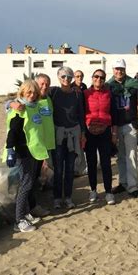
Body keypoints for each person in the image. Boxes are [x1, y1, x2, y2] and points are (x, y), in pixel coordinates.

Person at [4, 79, 55, 232]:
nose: (32, 95)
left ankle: (25, 213)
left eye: (34, 93)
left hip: (34, 151)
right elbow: (13, 131)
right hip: (22, 152)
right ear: (22, 93)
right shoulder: (20, 108)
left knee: (30, 183)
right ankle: (19, 220)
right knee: (25, 185)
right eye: (29, 93)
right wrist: (10, 150)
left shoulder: (35, 107)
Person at [107, 59, 138, 198]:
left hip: (130, 124)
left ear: (125, 69)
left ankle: (133, 186)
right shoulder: (109, 85)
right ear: (113, 69)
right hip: (115, 126)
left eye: (121, 69)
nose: (119, 71)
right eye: (117, 69)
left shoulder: (133, 84)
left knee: (131, 156)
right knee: (120, 157)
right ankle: (123, 183)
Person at [50, 67, 86, 209]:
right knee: (58, 168)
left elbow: (81, 115)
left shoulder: (77, 94)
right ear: (58, 77)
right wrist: (10, 104)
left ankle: (69, 197)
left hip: (73, 135)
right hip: (58, 136)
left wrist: (83, 133)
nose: (66, 79)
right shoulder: (52, 92)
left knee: (71, 168)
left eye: (69, 77)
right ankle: (57, 198)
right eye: (63, 76)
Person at [84, 69, 117, 205]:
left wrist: (114, 133)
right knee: (91, 163)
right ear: (92, 78)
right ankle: (93, 190)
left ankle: (108, 192)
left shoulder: (109, 94)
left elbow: (114, 114)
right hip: (89, 132)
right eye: (96, 76)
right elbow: (81, 113)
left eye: (102, 77)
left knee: (105, 163)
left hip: (105, 131)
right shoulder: (85, 94)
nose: (99, 79)